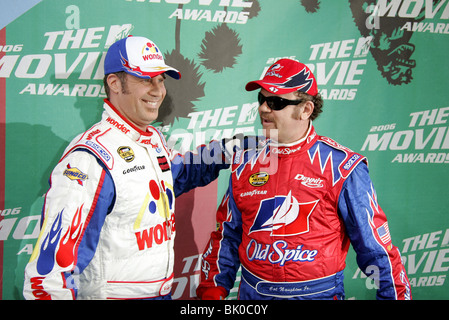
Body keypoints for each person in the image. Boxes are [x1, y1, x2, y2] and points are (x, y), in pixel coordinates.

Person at [23, 35, 231, 300]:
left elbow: (179, 173)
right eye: (145, 80)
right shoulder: (90, 158)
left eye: (160, 80)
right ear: (114, 83)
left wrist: (229, 150)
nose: (158, 91)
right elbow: (50, 273)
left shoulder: (150, 140)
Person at [196, 58, 412, 300]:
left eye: (275, 102)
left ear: (306, 109)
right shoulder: (244, 163)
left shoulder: (342, 167)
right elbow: (226, 237)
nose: (263, 108)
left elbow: (377, 250)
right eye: (261, 99)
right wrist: (212, 292)